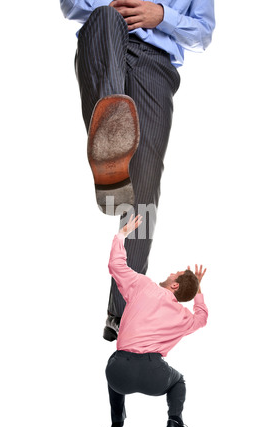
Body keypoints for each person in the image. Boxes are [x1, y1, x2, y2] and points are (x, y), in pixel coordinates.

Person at [59, 1, 215, 340]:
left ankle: (121, 311)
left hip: (156, 67)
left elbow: (203, 31)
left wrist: (163, 15)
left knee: (144, 192)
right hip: (104, 44)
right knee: (104, 16)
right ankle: (110, 134)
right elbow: (70, 4)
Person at [105, 215, 208, 427]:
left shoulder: (142, 285)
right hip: (154, 375)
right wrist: (198, 290)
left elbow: (116, 265)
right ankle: (174, 422)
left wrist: (122, 235)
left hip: (120, 370)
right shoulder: (184, 318)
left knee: (114, 373)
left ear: (175, 285)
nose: (172, 273)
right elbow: (201, 318)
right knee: (178, 381)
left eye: (176, 274)